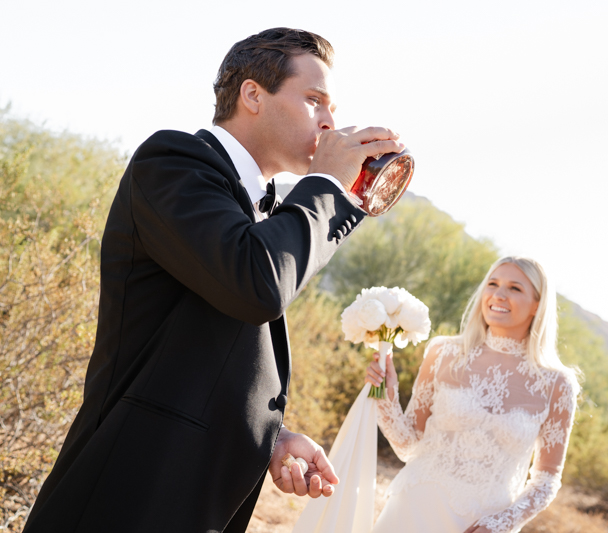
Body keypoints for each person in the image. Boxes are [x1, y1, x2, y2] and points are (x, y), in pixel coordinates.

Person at [23, 28, 403, 533]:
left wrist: (271, 436)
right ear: (252, 95)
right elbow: (257, 284)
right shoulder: (172, 162)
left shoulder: (263, 213)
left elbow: (214, 348)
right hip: (125, 496)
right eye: (314, 100)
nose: (329, 120)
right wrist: (326, 186)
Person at [365, 257, 581, 533]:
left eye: (515, 288)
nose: (498, 295)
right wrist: (386, 395)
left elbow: (546, 480)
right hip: (412, 510)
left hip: (482, 525)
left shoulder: (557, 384)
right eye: (493, 284)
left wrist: (500, 523)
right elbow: (408, 445)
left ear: (537, 304)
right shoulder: (443, 353)